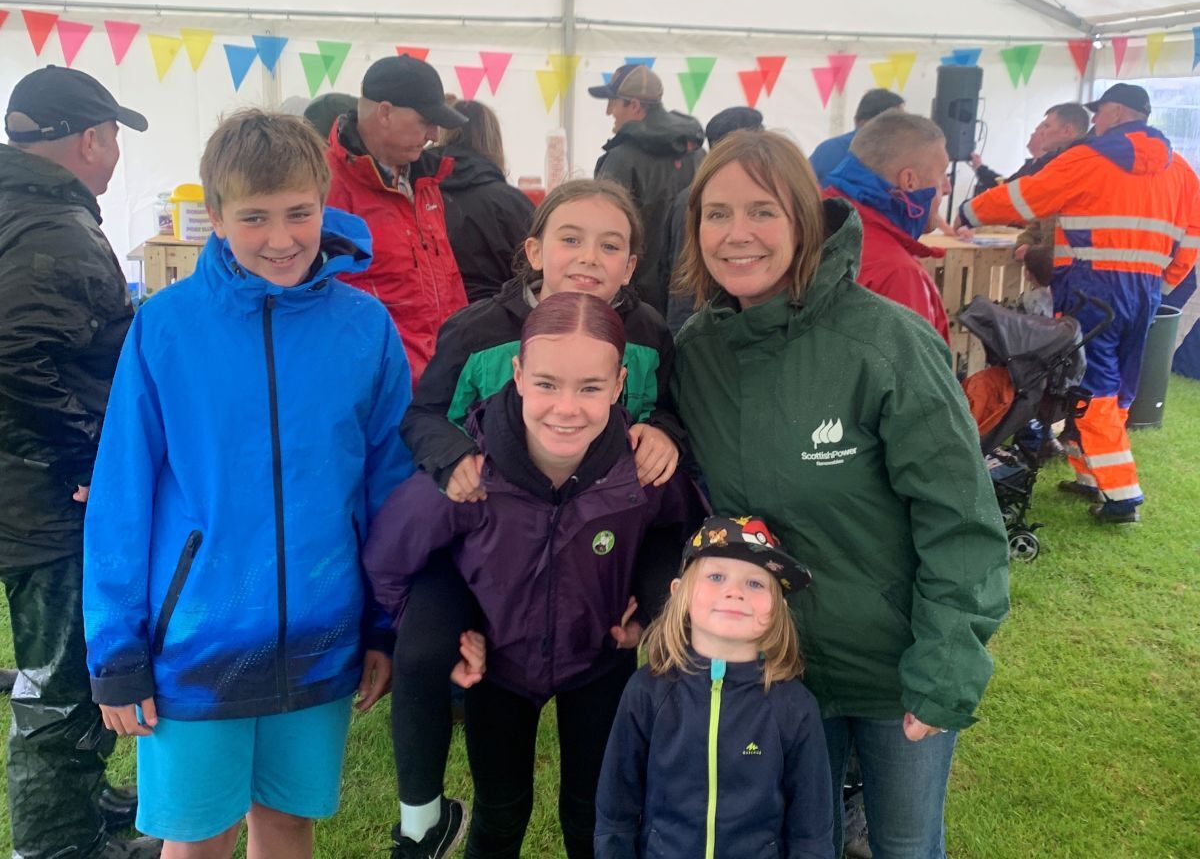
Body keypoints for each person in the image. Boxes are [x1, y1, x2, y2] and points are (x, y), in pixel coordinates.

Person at [82, 110, 414, 859]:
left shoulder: (365, 327)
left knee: (288, 823)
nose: (282, 238)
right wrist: (116, 648)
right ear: (217, 214)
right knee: (199, 838)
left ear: (324, 202)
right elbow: (122, 498)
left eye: (299, 213)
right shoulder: (164, 328)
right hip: (194, 643)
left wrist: (387, 623)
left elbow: (389, 487)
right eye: (255, 217)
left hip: (322, 634)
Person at [670, 129, 1010, 859]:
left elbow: (962, 518)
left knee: (904, 844)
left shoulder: (886, 343)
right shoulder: (697, 352)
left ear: (803, 218)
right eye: (717, 213)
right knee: (799, 842)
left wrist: (945, 665)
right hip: (775, 666)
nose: (737, 235)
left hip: (896, 667)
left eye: (762, 211)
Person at [386, 179, 684, 858]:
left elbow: (672, 410)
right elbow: (422, 414)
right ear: (533, 250)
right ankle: (420, 824)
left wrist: (665, 428)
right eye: (570, 238)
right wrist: (452, 454)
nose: (589, 257)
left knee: (599, 800)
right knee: (498, 795)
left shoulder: (650, 335)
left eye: (611, 245)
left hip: (597, 562)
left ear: (632, 265)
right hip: (494, 563)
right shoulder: (477, 330)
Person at [0, 65, 156, 859]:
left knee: (65, 665)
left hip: (21, 484)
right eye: (115, 135)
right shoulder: (52, 228)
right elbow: (15, 355)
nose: (117, 149)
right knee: (59, 683)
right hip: (41, 497)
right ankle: (56, 844)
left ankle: (84, 800)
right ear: (92, 139)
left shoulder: (24, 207)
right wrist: (83, 458)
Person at [960, 82, 1200, 523]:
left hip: (1093, 288)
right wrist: (1163, 287)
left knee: (1094, 388)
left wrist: (969, 212)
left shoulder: (1090, 158)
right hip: (1143, 291)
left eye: (1099, 112)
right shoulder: (1182, 171)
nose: (1095, 121)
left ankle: (1123, 495)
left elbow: (1025, 196)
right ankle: (1089, 472)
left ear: (1115, 111)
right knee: (1120, 386)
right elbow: (1191, 240)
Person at [594, 514, 833, 859]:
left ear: (778, 608)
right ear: (681, 593)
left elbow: (812, 832)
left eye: (755, 583)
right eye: (716, 576)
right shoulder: (646, 693)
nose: (734, 592)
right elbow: (616, 809)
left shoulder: (795, 708)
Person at [325, 54, 469, 384]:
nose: (434, 134)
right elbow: (329, 298)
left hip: (439, 377)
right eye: (425, 121)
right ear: (385, 113)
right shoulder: (327, 186)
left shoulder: (424, 181)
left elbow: (447, 282)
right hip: (379, 383)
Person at [823, 111, 951, 342]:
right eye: (943, 175)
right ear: (909, 181)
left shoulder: (815, 221)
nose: (948, 188)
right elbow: (914, 375)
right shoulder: (898, 274)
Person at [590, 64, 705, 314]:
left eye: (613, 102)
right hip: (694, 294)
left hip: (633, 303)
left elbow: (600, 230)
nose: (609, 111)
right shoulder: (697, 154)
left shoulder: (621, 159)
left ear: (635, 106)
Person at [663, 106, 764, 332]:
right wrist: (682, 340)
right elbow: (684, 280)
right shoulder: (693, 201)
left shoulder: (772, 191)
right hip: (710, 330)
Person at [431, 99, 535, 302]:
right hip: (498, 321)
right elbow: (537, 270)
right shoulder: (511, 202)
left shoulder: (415, 192)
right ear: (494, 140)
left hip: (430, 319)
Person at [969, 102, 1090, 261]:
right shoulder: (1053, 164)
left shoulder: (1078, 167)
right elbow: (1042, 214)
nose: (1042, 133)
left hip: (1074, 265)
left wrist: (970, 212)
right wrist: (1027, 241)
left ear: (1067, 130)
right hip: (1056, 264)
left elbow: (1024, 197)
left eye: (1046, 126)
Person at [807, 88, 904, 186]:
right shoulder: (830, 150)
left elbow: (800, 184)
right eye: (897, 124)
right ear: (862, 122)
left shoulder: (827, 148)